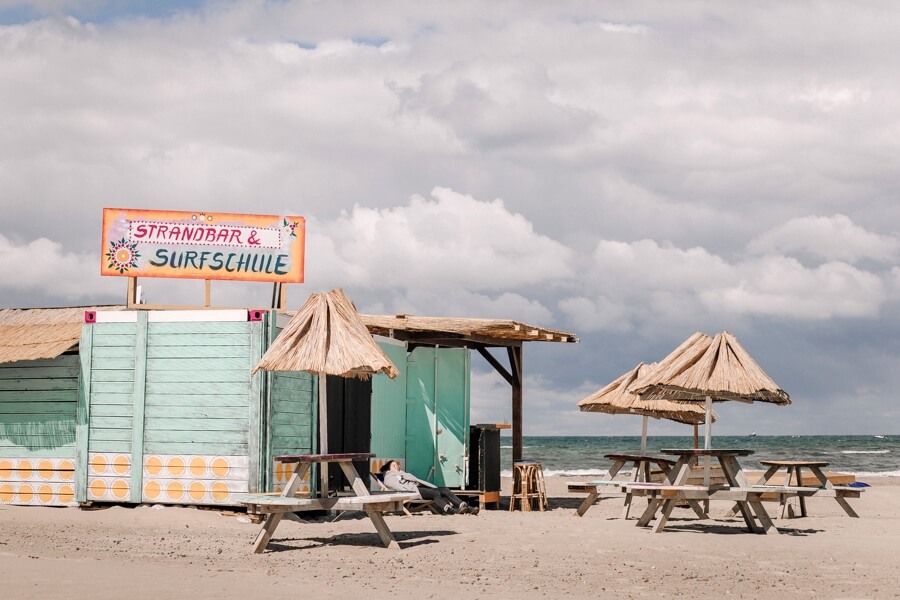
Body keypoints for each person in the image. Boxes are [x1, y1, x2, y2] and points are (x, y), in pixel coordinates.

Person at [380, 460, 477, 515]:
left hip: (418, 488)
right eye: (394, 466)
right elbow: (398, 486)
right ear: (388, 469)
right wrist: (408, 486)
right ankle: (448, 509)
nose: (397, 467)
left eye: (397, 465)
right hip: (414, 491)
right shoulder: (389, 477)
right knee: (436, 493)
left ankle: (465, 506)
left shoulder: (400, 474)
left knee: (445, 490)